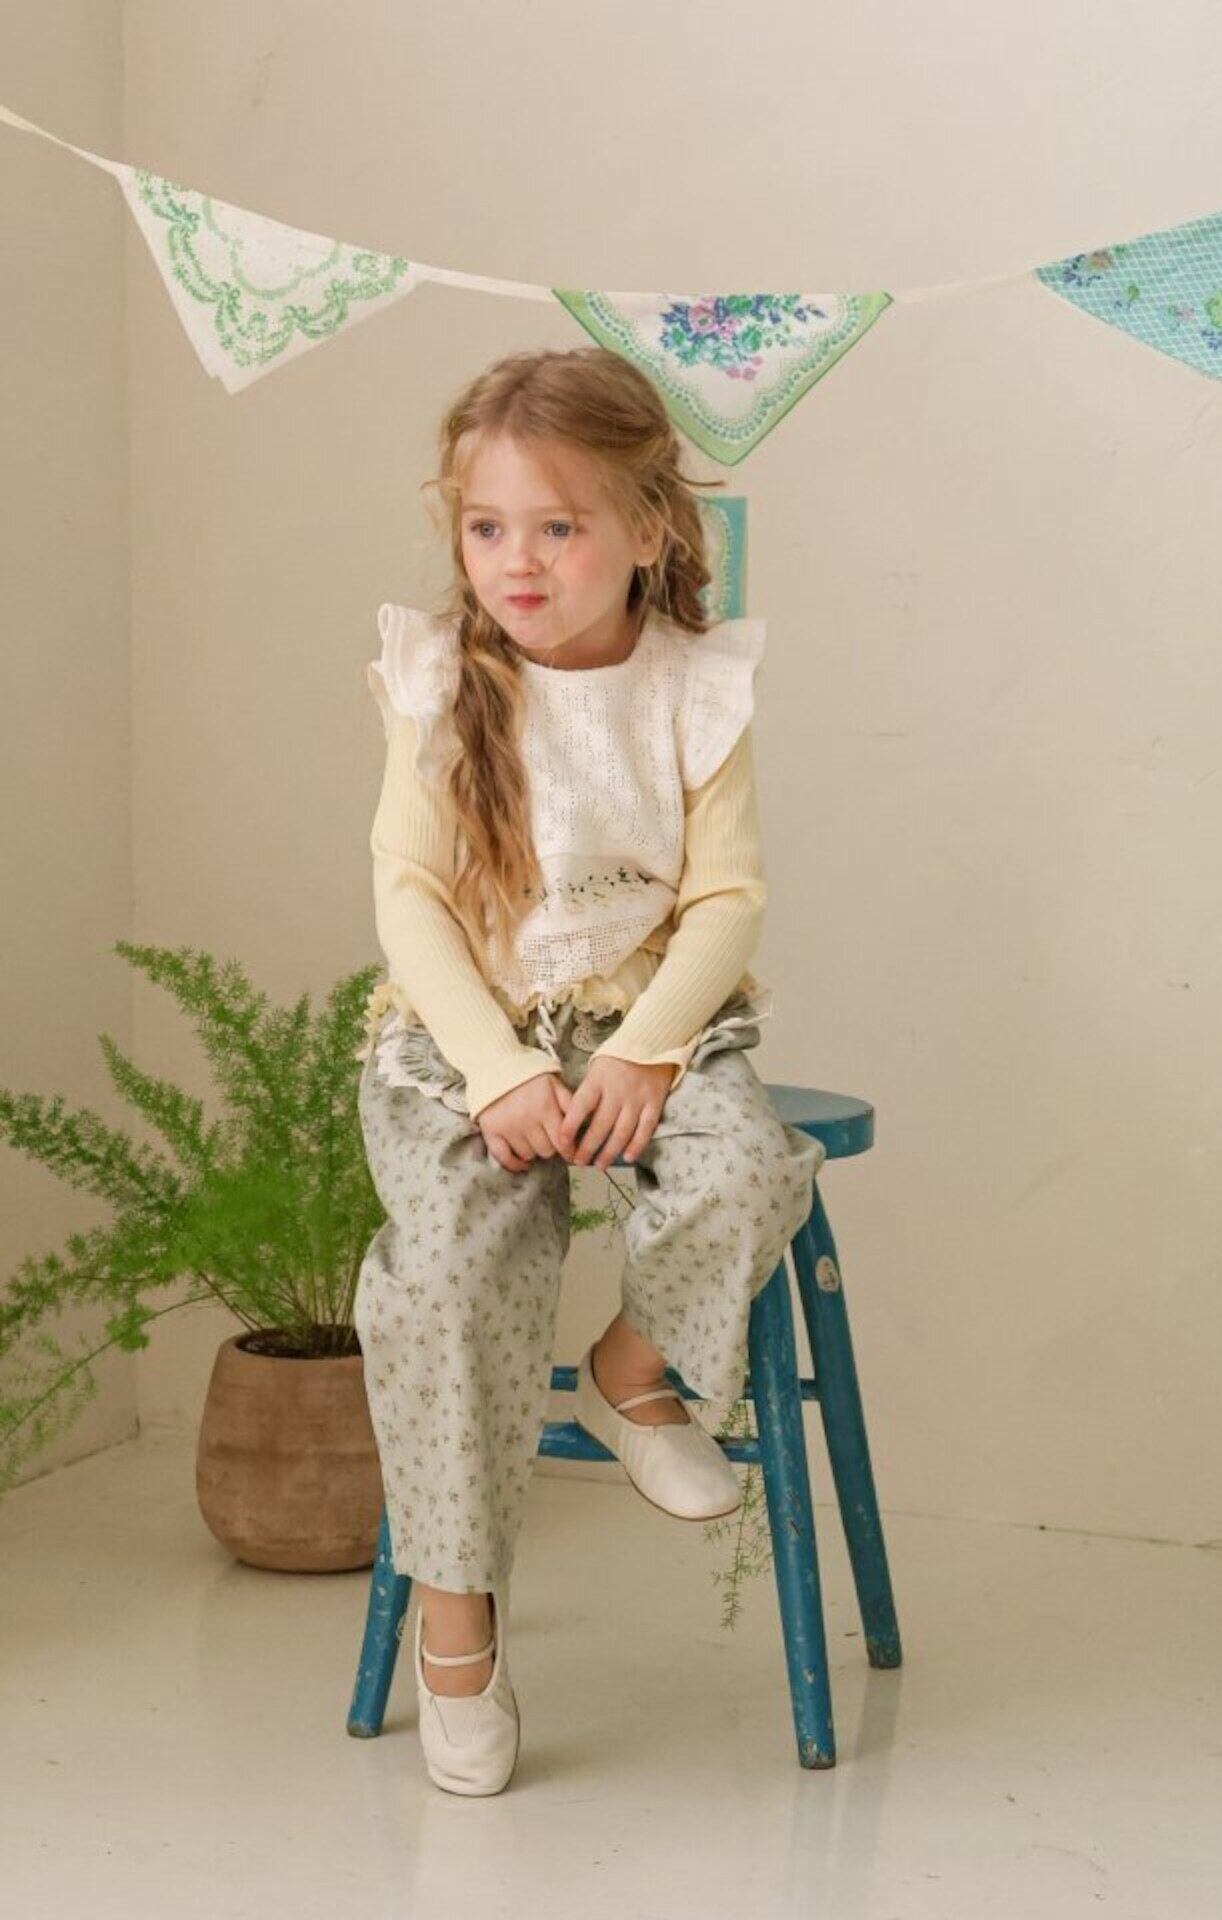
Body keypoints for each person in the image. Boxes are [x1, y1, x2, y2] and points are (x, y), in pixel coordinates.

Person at [354, 345, 826, 1794]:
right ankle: (456, 1633)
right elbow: (410, 896)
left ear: (648, 529)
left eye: (557, 526)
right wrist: (496, 1069)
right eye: (487, 526)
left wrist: (647, 1051)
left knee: (750, 1173)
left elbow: (728, 899)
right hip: (469, 1039)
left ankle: (633, 1372)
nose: (519, 560)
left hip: (645, 1016)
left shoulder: (695, 686)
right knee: (444, 1278)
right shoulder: (443, 681)